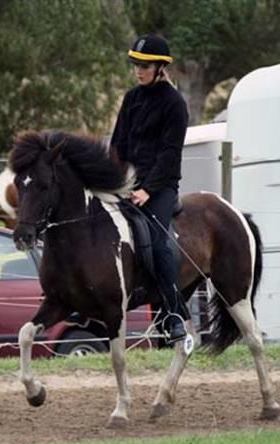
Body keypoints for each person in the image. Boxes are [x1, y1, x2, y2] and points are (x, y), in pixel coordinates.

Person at [110, 33, 189, 344]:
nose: (138, 70)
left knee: (157, 241)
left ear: (160, 67)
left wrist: (148, 190)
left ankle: (174, 313)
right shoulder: (131, 99)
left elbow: (170, 154)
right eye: (135, 65)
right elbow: (118, 144)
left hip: (162, 185)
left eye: (144, 65)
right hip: (129, 183)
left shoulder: (174, 104)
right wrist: (115, 179)